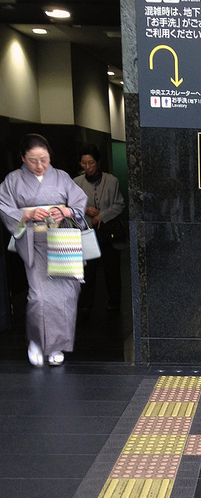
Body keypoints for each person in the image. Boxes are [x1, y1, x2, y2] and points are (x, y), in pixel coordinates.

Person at [0, 133, 88, 366]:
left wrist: (67, 212)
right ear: (22, 158)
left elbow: (78, 203)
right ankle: (38, 342)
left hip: (62, 241)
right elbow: (4, 207)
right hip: (33, 242)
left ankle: (56, 346)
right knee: (39, 297)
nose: (39, 165)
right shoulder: (13, 180)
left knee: (66, 295)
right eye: (33, 160)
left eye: (44, 159)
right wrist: (26, 214)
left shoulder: (61, 177)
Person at [73, 144, 125, 316]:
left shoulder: (111, 181)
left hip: (107, 232)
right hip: (87, 232)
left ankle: (114, 301)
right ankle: (86, 303)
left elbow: (119, 204)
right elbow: (70, 206)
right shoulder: (76, 183)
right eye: (84, 163)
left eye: (91, 163)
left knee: (112, 269)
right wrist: (85, 210)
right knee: (88, 270)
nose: (88, 167)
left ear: (98, 162)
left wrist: (102, 215)